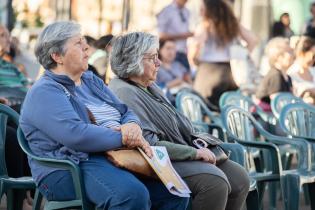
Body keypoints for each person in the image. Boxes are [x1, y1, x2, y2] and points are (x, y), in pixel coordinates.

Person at [20, 21, 189, 210]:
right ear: (57, 56)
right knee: (131, 196)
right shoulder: (45, 91)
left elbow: (125, 111)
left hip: (109, 156)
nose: (86, 46)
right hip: (67, 166)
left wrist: (132, 126)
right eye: (78, 43)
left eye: (84, 41)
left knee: (174, 193)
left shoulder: (91, 81)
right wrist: (124, 136)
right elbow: (76, 135)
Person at [109, 32, 250, 210]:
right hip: (157, 160)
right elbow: (149, 144)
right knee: (215, 182)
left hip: (177, 151)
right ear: (132, 60)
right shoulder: (125, 91)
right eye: (152, 58)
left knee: (239, 178)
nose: (158, 63)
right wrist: (194, 153)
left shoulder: (149, 86)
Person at [189, 0, 257, 108]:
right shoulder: (233, 23)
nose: (200, 11)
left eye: (202, 8)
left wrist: (193, 59)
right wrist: (241, 55)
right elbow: (252, 40)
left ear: (210, 9)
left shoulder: (205, 24)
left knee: (205, 109)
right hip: (231, 71)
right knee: (228, 108)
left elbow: (196, 44)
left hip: (209, 71)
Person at [256, 37, 294, 111]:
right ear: (278, 56)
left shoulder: (287, 77)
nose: (293, 54)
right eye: (289, 52)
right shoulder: (275, 75)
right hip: (266, 118)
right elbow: (277, 103)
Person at [157, 0, 193, 72]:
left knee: (187, 77)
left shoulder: (187, 12)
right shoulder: (166, 11)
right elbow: (161, 35)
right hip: (170, 54)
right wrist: (182, 36)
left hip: (183, 52)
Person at [288, 36, 315, 104]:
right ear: (301, 54)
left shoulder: (313, 70)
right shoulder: (291, 74)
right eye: (313, 56)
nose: (314, 59)